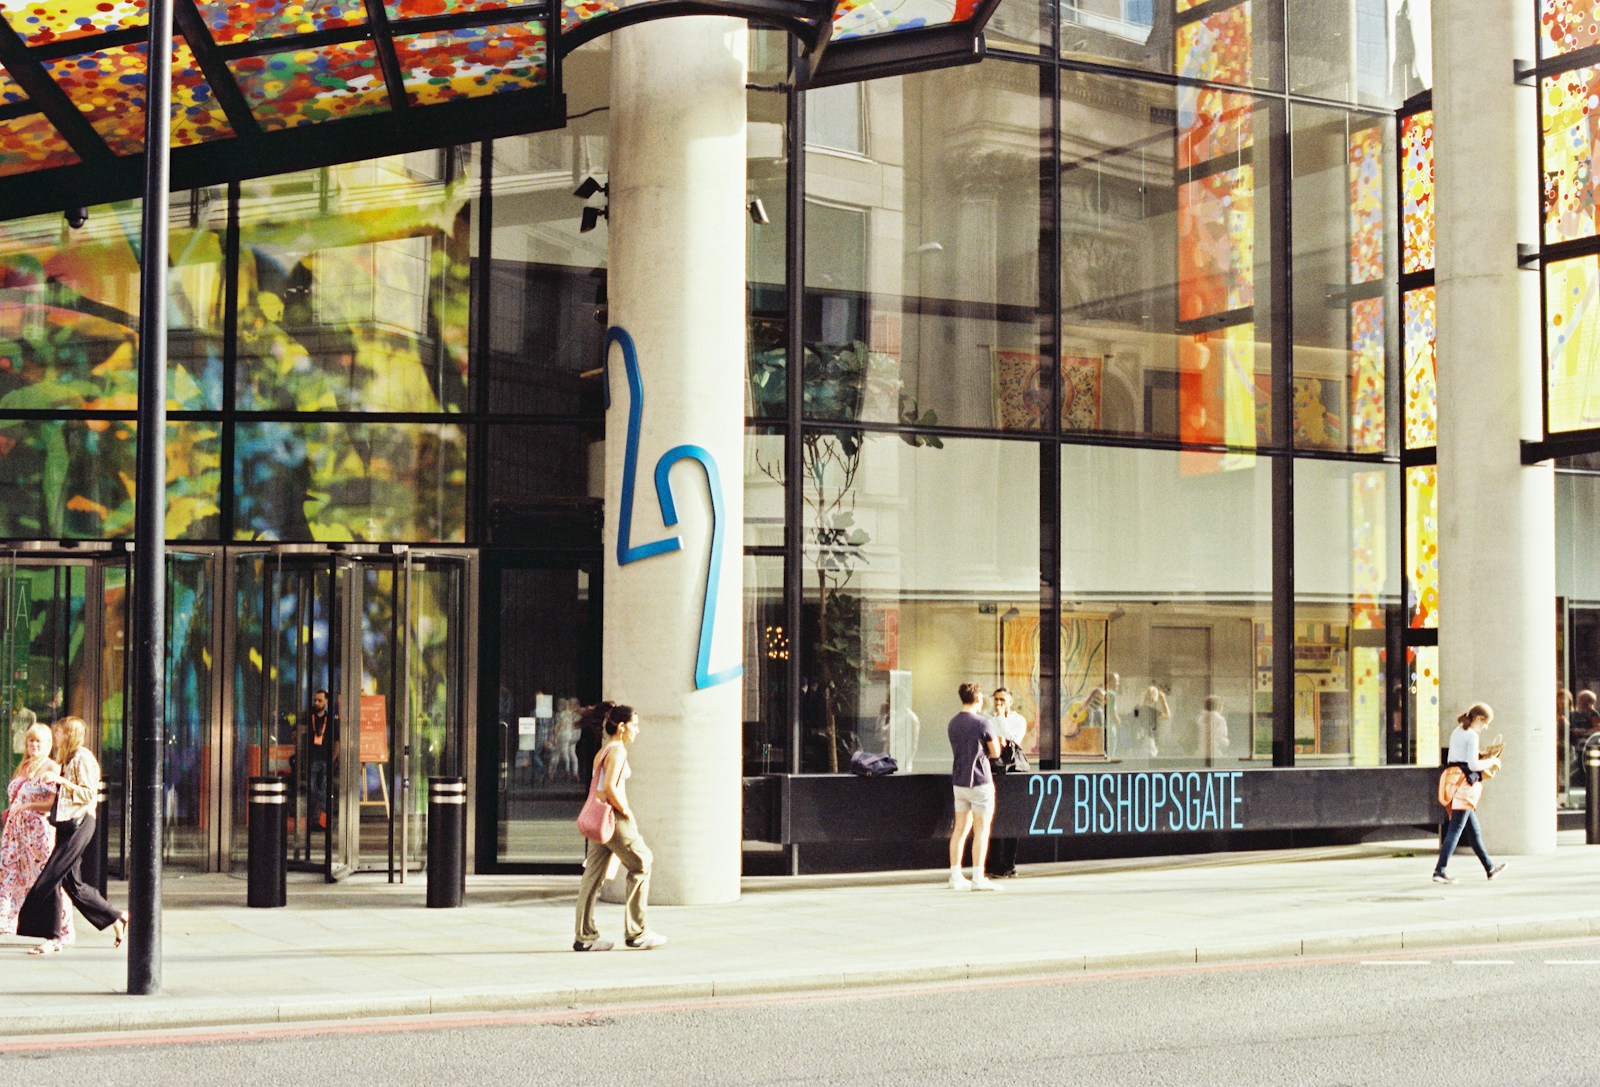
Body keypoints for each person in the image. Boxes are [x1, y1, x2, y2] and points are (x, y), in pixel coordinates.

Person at [16, 717, 127, 954]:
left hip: (80, 823)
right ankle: (115, 916)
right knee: (72, 883)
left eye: (58, 733)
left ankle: (53, 937)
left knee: (50, 878)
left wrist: (60, 780)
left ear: (69, 734)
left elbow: (88, 795)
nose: (55, 737)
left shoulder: (82, 757)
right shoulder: (67, 759)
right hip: (67, 824)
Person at [573, 701, 665, 951]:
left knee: (593, 875)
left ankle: (585, 937)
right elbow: (610, 788)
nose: (638, 730)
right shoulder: (617, 751)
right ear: (622, 727)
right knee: (642, 861)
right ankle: (637, 932)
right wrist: (627, 812)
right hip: (612, 819)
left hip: (598, 820)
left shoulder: (603, 750)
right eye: (635, 725)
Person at [0, 724, 73, 941]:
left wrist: (26, 806)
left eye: (39, 741)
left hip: (38, 832)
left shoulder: (51, 768)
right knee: (9, 874)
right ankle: (7, 920)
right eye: (31, 740)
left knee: (45, 876)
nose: (34, 745)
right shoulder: (24, 765)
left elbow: (53, 803)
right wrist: (13, 809)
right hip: (15, 832)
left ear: (48, 744)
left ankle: (63, 927)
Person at [1433, 702, 1507, 885]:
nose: (1486, 727)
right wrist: (1491, 762)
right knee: (1456, 829)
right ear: (1479, 719)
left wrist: (1482, 756)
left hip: (1453, 781)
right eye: (1485, 723)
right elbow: (1473, 765)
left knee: (1473, 831)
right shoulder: (1472, 735)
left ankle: (1489, 868)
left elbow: (1459, 758)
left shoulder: (1458, 731)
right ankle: (1440, 870)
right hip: (1464, 785)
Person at [947, 682, 1000, 892]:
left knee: (959, 829)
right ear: (977, 698)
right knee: (981, 830)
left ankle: (955, 875)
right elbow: (994, 752)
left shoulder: (953, 723)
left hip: (959, 781)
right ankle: (978, 877)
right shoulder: (983, 723)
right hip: (980, 781)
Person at [985, 687, 1028, 879]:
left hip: (1013, 772)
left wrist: (1001, 719)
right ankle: (994, 864)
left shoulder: (1018, 720)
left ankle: (1009, 864)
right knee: (993, 818)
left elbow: (1013, 740)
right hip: (994, 771)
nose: (998, 703)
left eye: (1002, 700)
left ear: (1010, 701)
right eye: (996, 700)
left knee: (1012, 819)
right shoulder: (988, 720)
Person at [305, 689, 336, 830]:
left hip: (324, 758)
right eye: (315, 700)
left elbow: (337, 741)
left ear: (326, 702)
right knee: (313, 790)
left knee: (322, 790)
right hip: (311, 758)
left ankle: (317, 820)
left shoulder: (330, 720)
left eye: (320, 700)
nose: (316, 703)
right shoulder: (308, 717)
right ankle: (314, 820)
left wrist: (333, 759)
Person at [1134, 682, 1170, 757]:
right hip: (1148, 740)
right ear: (1155, 699)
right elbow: (1167, 715)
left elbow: (1135, 719)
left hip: (1138, 739)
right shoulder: (1151, 711)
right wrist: (1163, 700)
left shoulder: (1137, 708)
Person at [1197, 695, 1229, 764]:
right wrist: (1227, 742)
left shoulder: (1200, 719)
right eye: (1222, 706)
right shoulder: (1220, 720)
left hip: (1200, 753)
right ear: (1218, 706)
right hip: (1214, 754)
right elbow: (1220, 739)